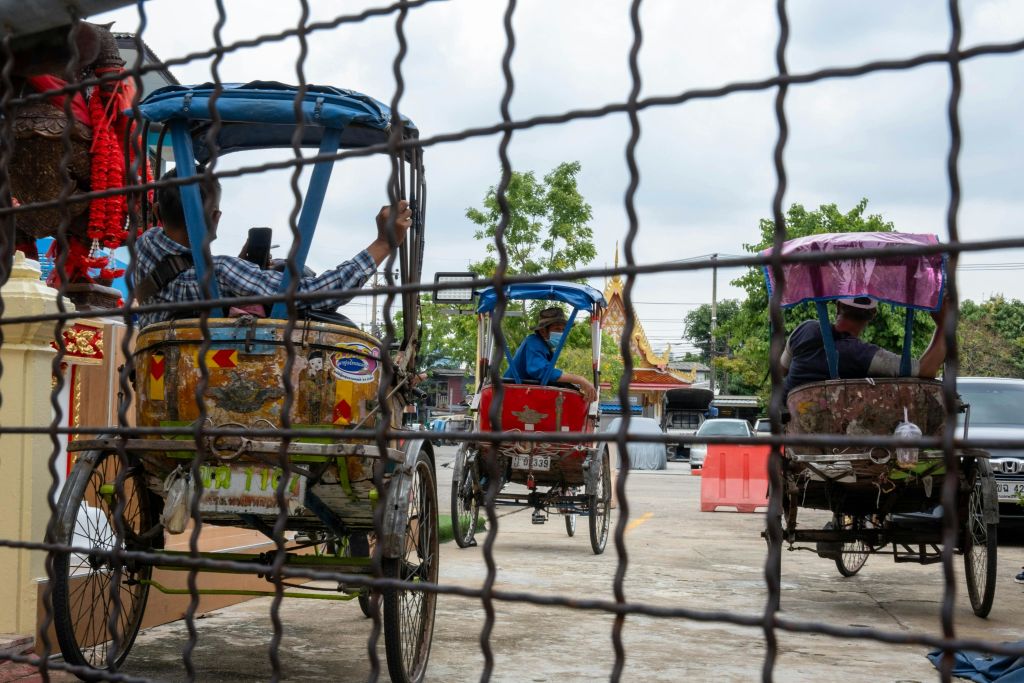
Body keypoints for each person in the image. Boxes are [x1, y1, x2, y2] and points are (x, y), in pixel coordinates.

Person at [133, 167, 411, 329]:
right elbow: (318, 296)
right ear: (216, 218)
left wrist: (246, 265)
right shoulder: (220, 272)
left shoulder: (146, 245)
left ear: (157, 211)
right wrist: (383, 244)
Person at [781, 296, 948, 396]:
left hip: (789, 427)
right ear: (873, 315)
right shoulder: (863, 355)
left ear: (838, 306)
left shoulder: (805, 329)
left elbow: (782, 369)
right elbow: (925, 370)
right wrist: (943, 325)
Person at [504, 306, 598, 402]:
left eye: (563, 330)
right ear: (543, 331)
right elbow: (541, 371)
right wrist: (580, 380)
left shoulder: (546, 347)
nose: (561, 333)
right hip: (511, 394)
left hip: (523, 394)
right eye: (557, 329)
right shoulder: (533, 343)